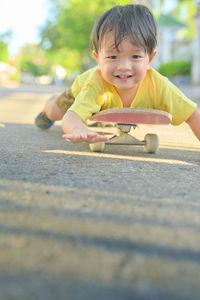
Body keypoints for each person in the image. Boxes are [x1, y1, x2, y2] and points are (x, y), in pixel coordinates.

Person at [35, 4, 200, 144]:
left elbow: (193, 114)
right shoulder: (95, 84)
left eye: (135, 56)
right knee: (56, 112)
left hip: (114, 104)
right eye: (112, 57)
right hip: (79, 91)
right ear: (98, 60)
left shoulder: (159, 85)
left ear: (149, 59)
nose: (123, 67)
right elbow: (71, 116)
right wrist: (79, 128)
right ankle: (49, 106)